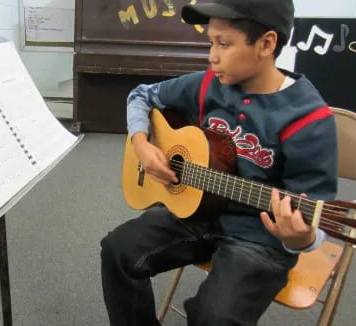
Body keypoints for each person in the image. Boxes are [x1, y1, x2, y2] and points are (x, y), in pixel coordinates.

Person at [100, 0, 338, 325]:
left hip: (258, 237)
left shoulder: (309, 119)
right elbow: (142, 94)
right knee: (118, 251)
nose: (212, 56)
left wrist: (300, 239)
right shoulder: (208, 83)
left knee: (214, 316)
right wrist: (141, 143)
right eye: (211, 42)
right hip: (196, 210)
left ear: (266, 44)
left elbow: (317, 216)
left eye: (224, 44)